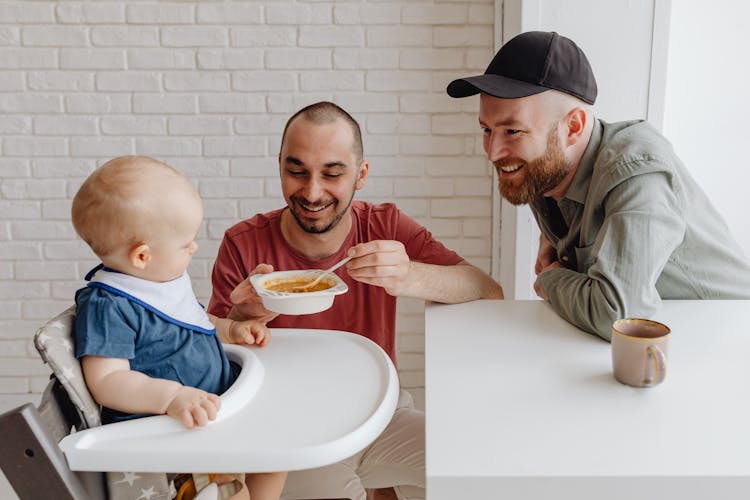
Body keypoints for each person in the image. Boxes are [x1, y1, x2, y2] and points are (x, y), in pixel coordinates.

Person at [208, 101, 503, 500]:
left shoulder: (384, 225)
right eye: (297, 172)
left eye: (332, 174)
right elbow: (209, 363)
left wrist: (410, 275)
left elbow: (487, 291)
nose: (312, 193)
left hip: (382, 412)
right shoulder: (243, 244)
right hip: (291, 429)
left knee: (482, 466)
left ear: (361, 174)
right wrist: (242, 316)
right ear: (280, 166)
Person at [447, 30, 750, 339]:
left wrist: (552, 279)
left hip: (728, 342)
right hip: (660, 347)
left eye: (513, 131)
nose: (493, 151)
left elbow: (616, 315)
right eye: (487, 129)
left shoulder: (637, 173)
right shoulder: (545, 170)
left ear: (573, 127)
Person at [71, 156, 287, 500]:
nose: (194, 247)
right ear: (142, 256)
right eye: (186, 243)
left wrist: (230, 330)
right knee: (234, 494)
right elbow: (107, 381)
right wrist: (171, 397)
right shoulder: (109, 305)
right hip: (175, 438)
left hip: (217, 414)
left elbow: (191, 325)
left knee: (278, 457)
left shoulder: (159, 280)